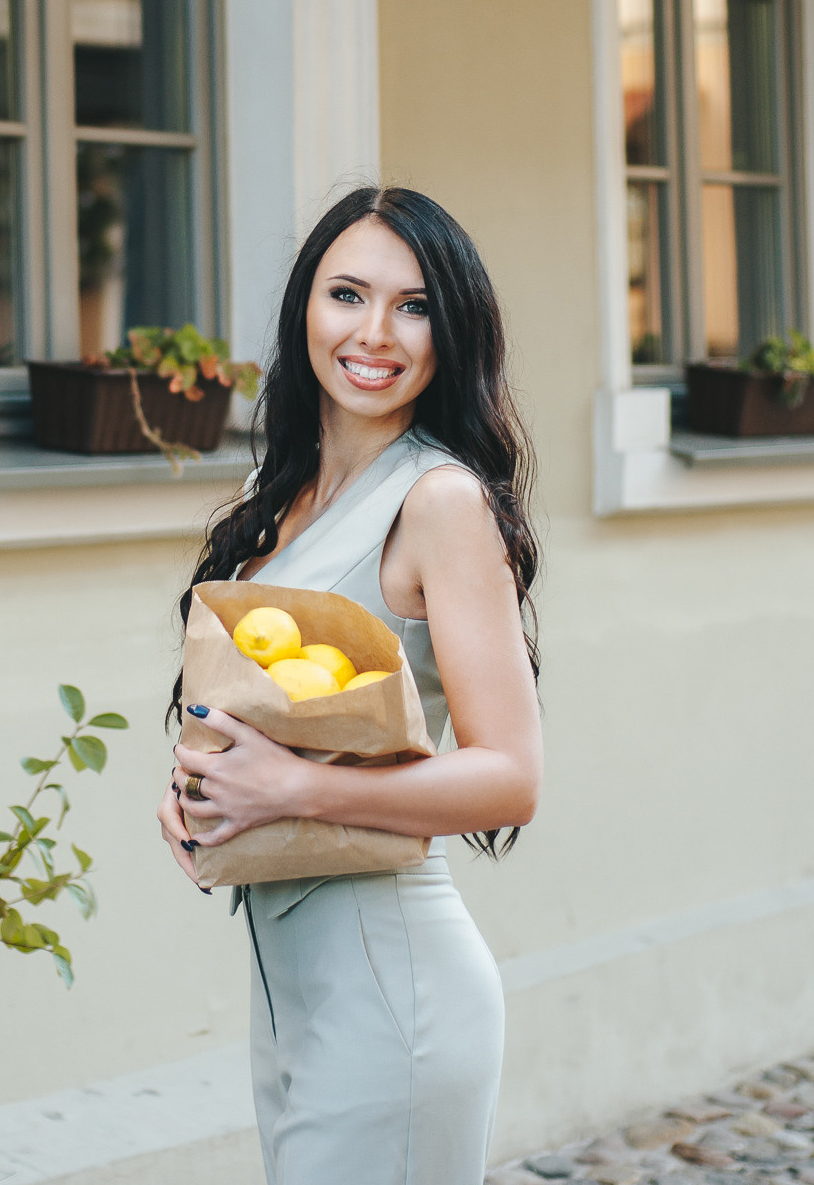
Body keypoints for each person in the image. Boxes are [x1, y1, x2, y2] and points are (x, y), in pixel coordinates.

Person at [157, 185, 543, 1185]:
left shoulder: (440, 501)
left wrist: (289, 792)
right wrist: (202, 790)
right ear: (302, 311)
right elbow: (272, 713)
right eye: (346, 294)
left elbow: (510, 775)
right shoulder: (275, 494)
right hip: (292, 985)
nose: (375, 333)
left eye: (413, 306)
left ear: (450, 331)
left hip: (392, 987)